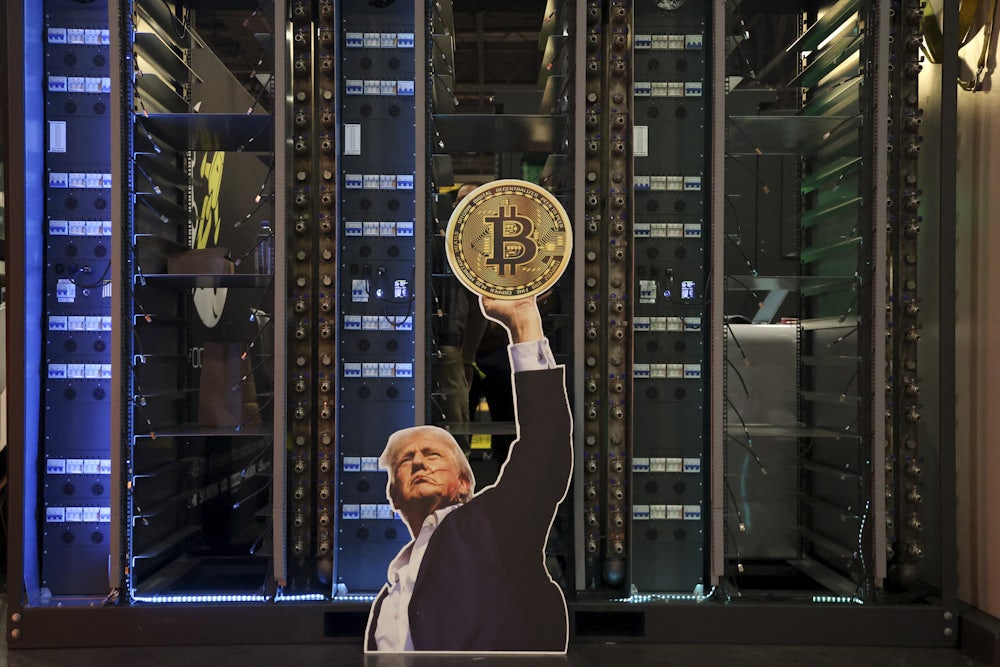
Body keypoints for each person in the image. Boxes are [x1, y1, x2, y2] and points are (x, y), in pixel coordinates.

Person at [365, 294, 573, 653]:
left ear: (464, 484)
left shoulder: (489, 527)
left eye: (432, 455)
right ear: (392, 495)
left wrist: (523, 321)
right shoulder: (389, 592)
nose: (417, 462)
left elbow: (545, 454)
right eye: (405, 461)